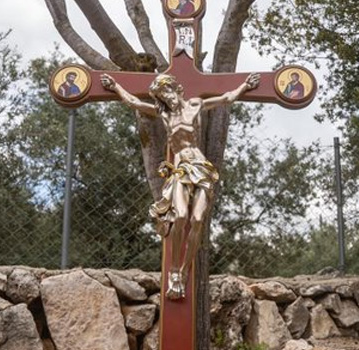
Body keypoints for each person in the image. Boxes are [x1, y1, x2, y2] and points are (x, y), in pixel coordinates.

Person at [101, 72, 260, 299]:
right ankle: (174, 271)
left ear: (175, 88)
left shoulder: (195, 105)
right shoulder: (164, 115)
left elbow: (226, 98)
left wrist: (245, 85)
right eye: (161, 96)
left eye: (167, 91)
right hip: (180, 169)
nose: (166, 98)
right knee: (182, 216)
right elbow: (134, 102)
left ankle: (184, 271)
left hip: (201, 168)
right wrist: (115, 86)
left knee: (197, 220)